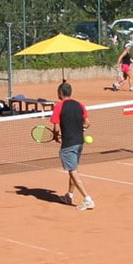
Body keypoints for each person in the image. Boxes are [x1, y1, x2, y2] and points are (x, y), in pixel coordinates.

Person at [50, 81, 93, 210]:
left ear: (60, 93)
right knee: (73, 170)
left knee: (73, 171)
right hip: (80, 142)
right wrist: (79, 130)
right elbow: (87, 123)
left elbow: (56, 127)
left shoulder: (58, 106)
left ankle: (87, 199)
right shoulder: (80, 105)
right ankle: (69, 196)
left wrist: (55, 136)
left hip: (69, 144)